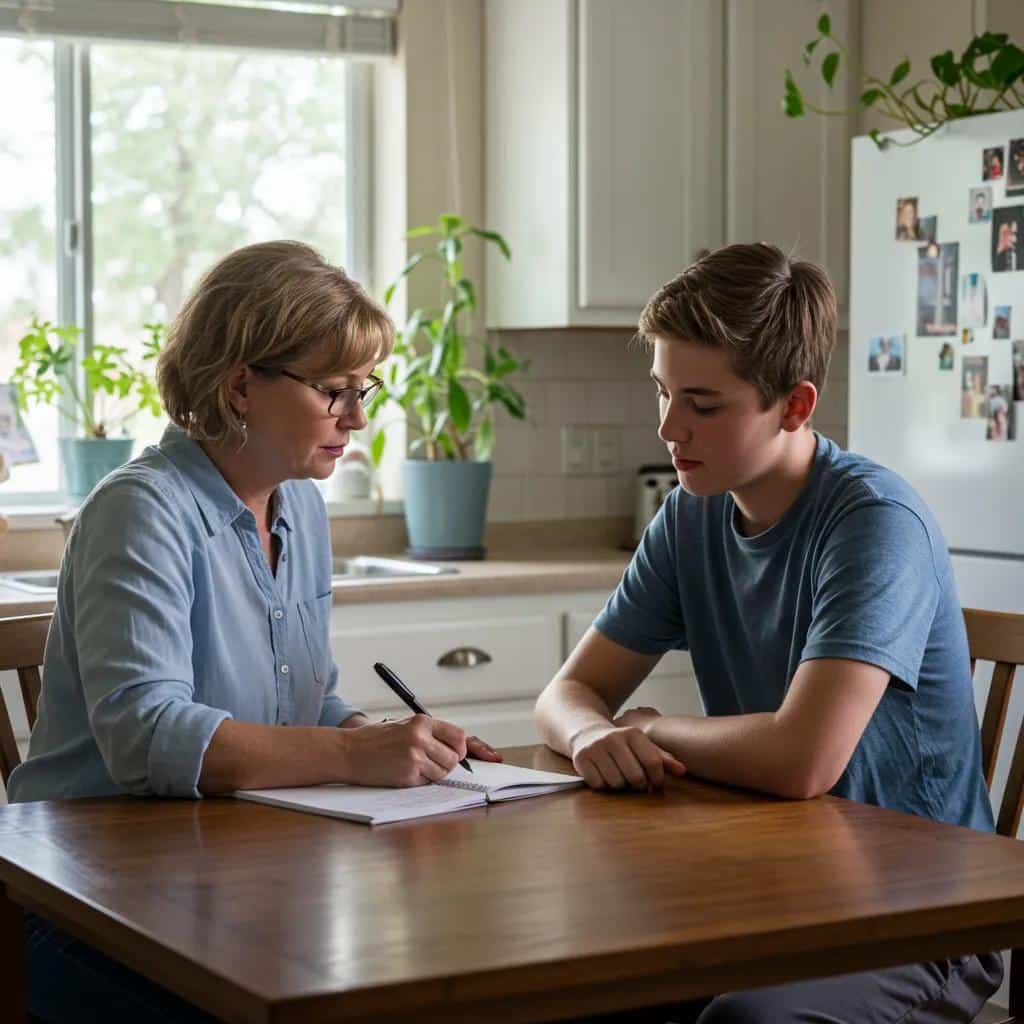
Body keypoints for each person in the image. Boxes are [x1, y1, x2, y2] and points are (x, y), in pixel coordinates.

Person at [10, 240, 502, 1022]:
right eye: (335, 392)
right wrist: (350, 752)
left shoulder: (299, 504)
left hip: (235, 880)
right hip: (89, 906)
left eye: (364, 389)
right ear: (241, 385)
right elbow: (146, 738)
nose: (359, 417)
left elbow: (302, 707)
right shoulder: (141, 510)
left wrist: (388, 737)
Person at [534, 243, 1003, 1024]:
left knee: (746, 1022)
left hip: (921, 914)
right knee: (568, 986)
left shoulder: (873, 525)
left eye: (703, 405)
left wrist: (659, 731)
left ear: (794, 405)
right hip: (775, 885)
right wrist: (590, 736)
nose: (668, 427)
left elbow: (803, 760)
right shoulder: (690, 514)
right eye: (661, 393)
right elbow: (567, 694)